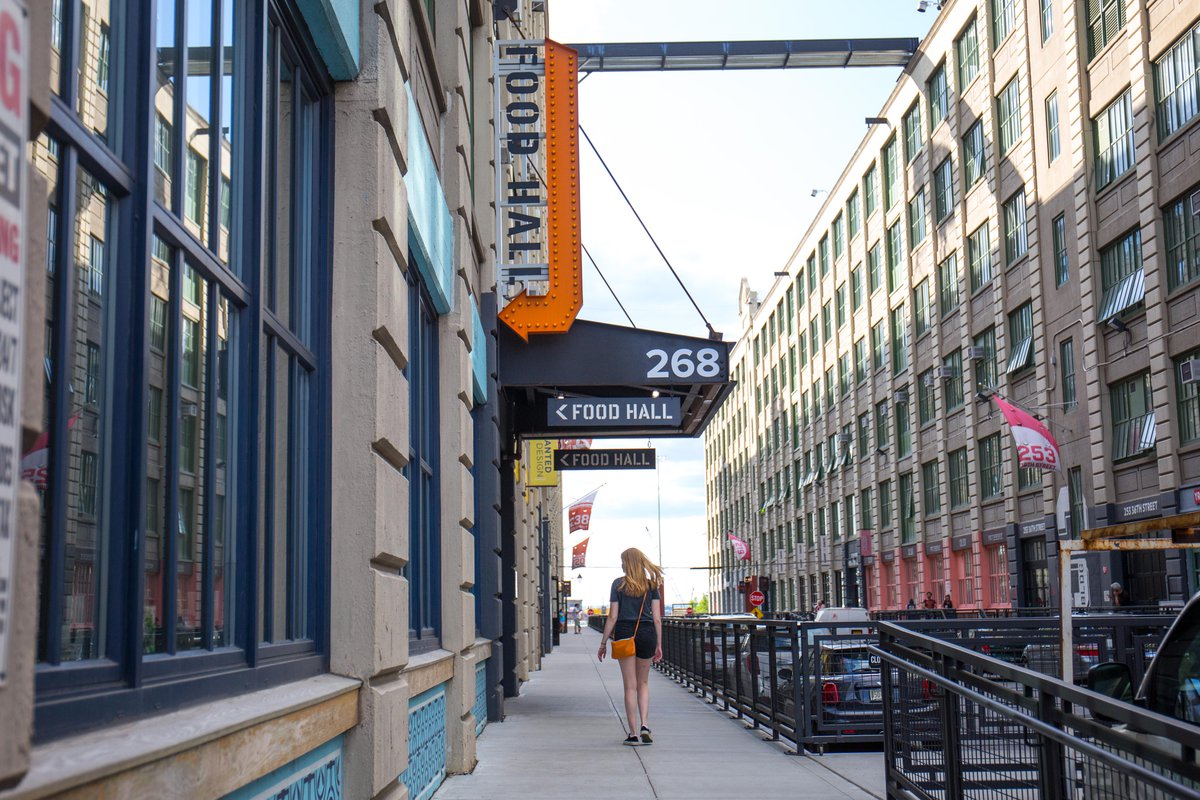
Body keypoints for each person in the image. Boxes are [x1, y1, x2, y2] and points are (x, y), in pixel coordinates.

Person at [598, 547, 664, 746]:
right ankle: (645, 724)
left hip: (625, 633)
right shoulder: (651, 585)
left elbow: (613, 616)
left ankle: (633, 733)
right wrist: (658, 644)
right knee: (643, 684)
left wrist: (603, 643)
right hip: (647, 634)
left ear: (627, 563)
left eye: (622, 561)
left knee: (630, 686)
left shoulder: (618, 585)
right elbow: (657, 619)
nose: (621, 564)